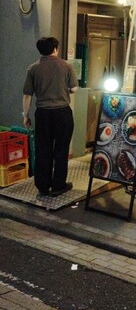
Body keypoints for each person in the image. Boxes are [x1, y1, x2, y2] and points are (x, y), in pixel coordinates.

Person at [22, 37, 78, 197]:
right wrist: (65, 89)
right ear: (55, 48)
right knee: (61, 149)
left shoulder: (33, 68)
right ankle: (58, 186)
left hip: (43, 114)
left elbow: (27, 95)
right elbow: (74, 88)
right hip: (62, 113)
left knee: (43, 149)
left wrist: (25, 115)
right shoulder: (66, 66)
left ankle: (43, 186)